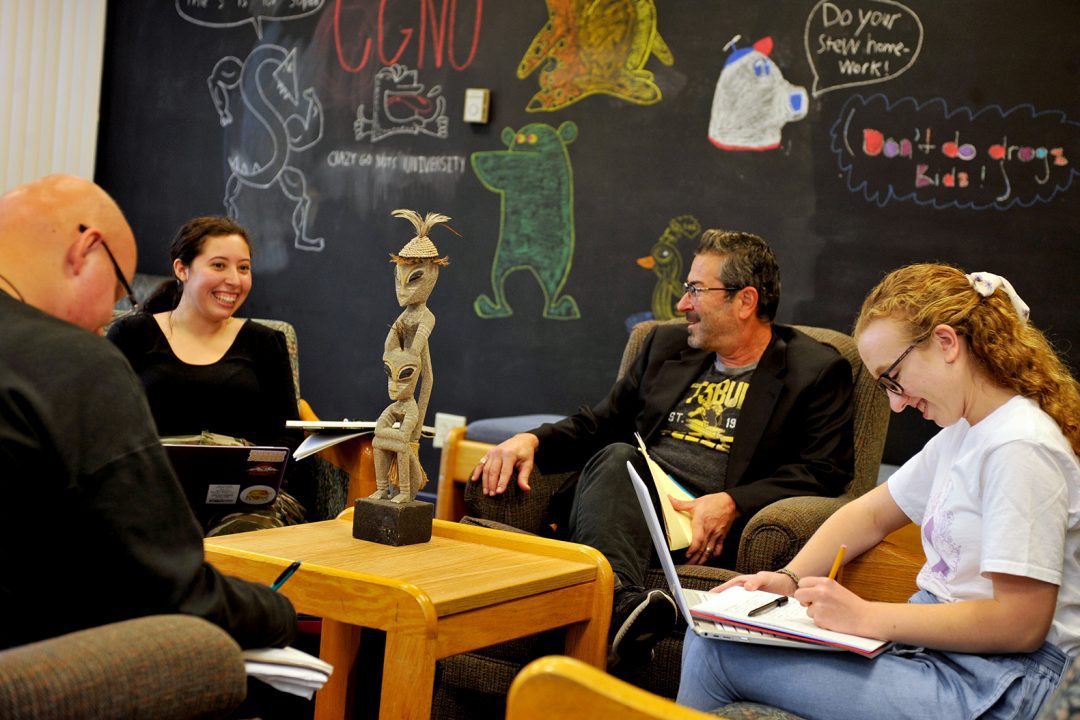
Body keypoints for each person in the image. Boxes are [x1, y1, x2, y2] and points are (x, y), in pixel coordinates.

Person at [677, 263, 1080, 720]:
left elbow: (1020, 624)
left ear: (946, 343)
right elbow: (867, 515)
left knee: (715, 653)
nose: (896, 402)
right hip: (946, 659)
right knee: (713, 633)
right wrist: (787, 581)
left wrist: (864, 616)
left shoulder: (1020, 445)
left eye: (893, 378)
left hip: (1001, 682)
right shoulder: (964, 435)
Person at [474, 229, 855, 666]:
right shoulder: (663, 344)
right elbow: (602, 423)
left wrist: (732, 502)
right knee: (619, 457)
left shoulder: (816, 370)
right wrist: (532, 440)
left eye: (695, 290)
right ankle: (620, 606)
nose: (682, 304)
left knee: (619, 461)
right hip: (628, 505)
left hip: (706, 535)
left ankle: (606, 610)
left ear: (745, 301)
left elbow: (825, 471)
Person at [0, 175, 296, 653]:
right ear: (85, 251)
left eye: (243, 267)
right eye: (119, 288)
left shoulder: (263, 342)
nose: (111, 312)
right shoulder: (80, 359)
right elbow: (168, 586)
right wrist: (282, 614)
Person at [107, 215, 310, 526]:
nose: (235, 279)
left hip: (246, 507)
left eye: (243, 268)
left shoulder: (266, 342)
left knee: (245, 532)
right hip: (148, 495)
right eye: (218, 265)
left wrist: (264, 483)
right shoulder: (132, 335)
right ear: (182, 269)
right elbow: (106, 426)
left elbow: (286, 437)